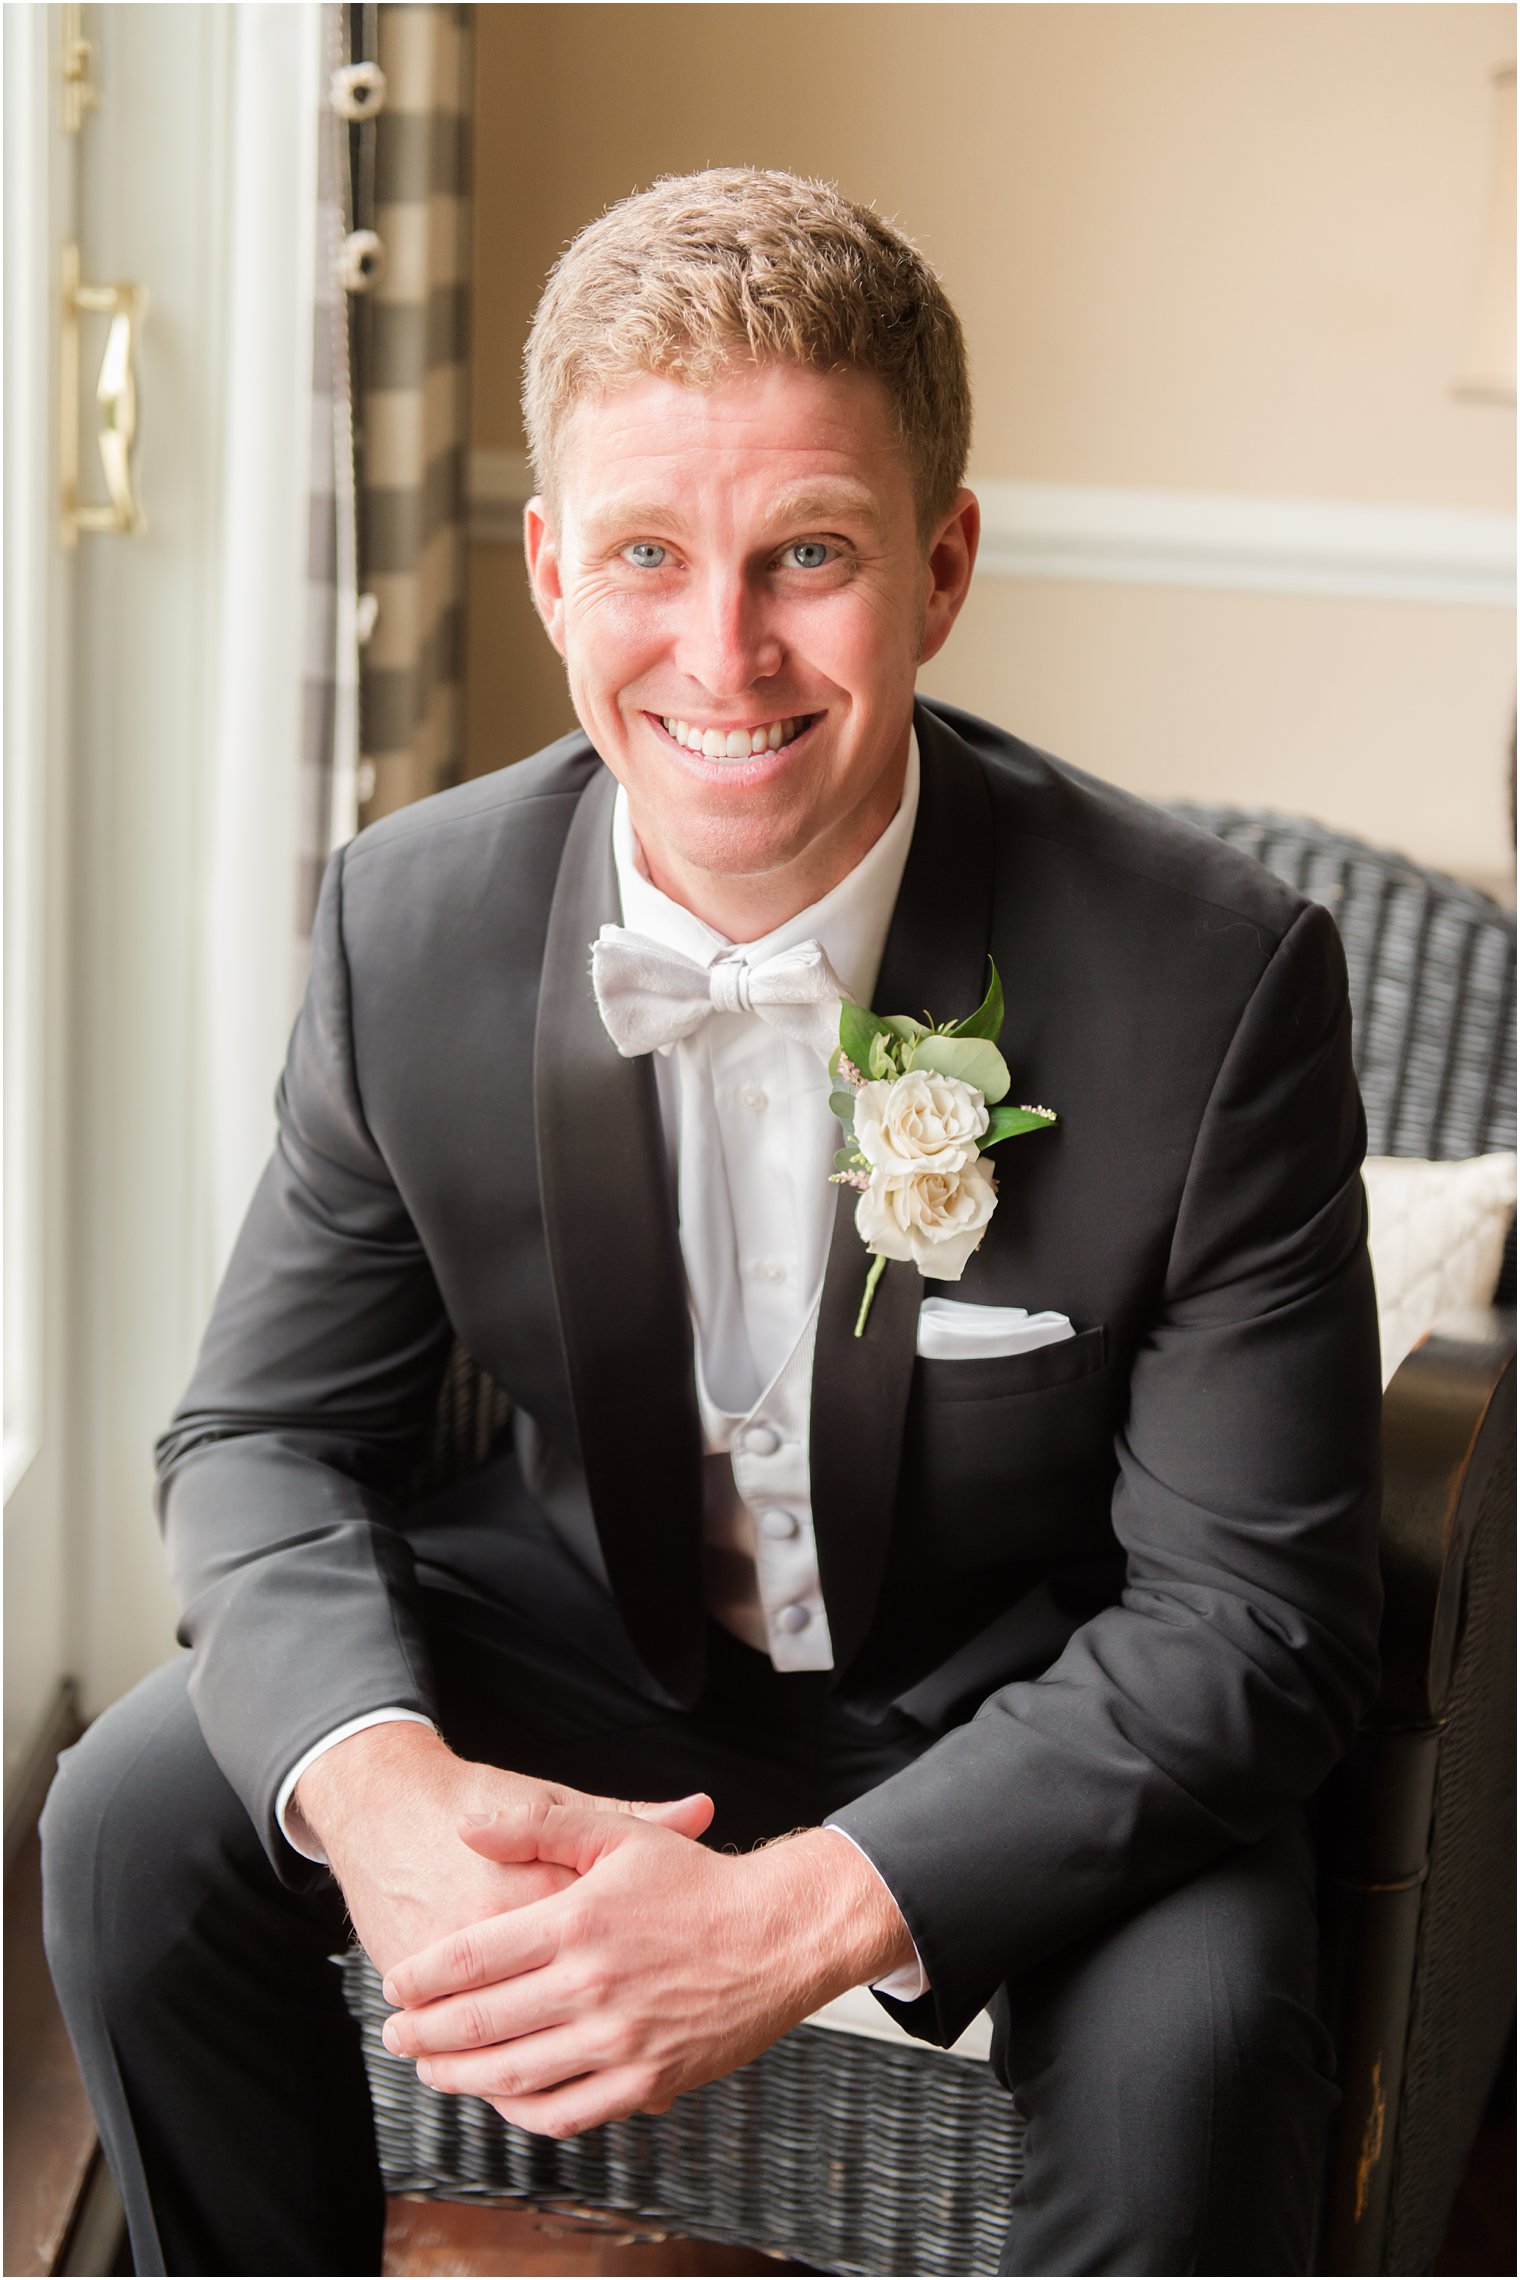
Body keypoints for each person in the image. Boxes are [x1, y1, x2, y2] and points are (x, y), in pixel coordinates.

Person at [42, 168, 1382, 2279]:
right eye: (649, 556)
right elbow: (259, 1441)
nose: (722, 651)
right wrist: (384, 1794)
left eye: (809, 556)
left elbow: (1249, 1630)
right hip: (598, 1625)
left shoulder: (1212, 984)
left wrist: (793, 1916)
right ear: (554, 568)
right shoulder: (414, 921)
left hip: (1024, 1684)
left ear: (939, 569)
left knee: (1203, 2047)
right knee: (133, 1818)